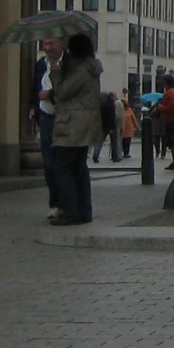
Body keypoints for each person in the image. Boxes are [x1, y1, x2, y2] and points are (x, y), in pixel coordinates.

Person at [50, 34, 103, 225]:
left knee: (62, 167)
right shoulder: (91, 68)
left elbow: (62, 93)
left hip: (72, 125)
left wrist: (55, 71)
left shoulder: (82, 71)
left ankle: (71, 211)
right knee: (79, 168)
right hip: (85, 125)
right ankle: (84, 211)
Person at [29, 38, 64, 215]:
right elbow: (34, 87)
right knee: (49, 163)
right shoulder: (40, 65)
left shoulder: (68, 64)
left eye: (52, 44)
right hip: (45, 116)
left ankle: (66, 202)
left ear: (62, 44)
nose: (48, 48)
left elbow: (68, 89)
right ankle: (56, 203)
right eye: (45, 44)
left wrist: (49, 93)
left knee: (62, 162)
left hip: (64, 118)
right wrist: (34, 107)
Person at [157, 77, 174, 170]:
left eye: (163, 82)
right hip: (173, 119)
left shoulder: (170, 93)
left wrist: (161, 107)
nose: (162, 84)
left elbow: (171, 108)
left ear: (167, 82)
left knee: (172, 141)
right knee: (173, 141)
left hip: (170, 119)